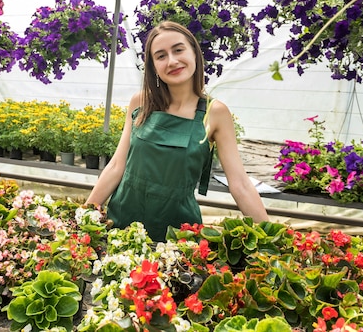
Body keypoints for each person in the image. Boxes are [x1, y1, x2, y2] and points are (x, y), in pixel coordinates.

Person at [84, 21, 269, 241]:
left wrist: (271, 238)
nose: (172, 61)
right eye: (161, 56)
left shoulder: (215, 113)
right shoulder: (140, 103)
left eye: (178, 50)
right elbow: (116, 165)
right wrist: (85, 215)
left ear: (194, 53)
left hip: (178, 234)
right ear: (153, 66)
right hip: (122, 222)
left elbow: (240, 184)